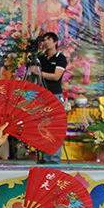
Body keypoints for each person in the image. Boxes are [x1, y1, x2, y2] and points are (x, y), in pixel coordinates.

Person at [35, 31, 68, 164]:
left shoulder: (60, 58)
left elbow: (56, 76)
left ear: (55, 42)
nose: (46, 42)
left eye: (49, 39)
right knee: (44, 127)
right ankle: (46, 156)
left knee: (54, 127)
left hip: (55, 95)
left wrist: (39, 73)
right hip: (43, 96)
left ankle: (54, 158)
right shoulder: (42, 58)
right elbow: (29, 65)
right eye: (45, 40)